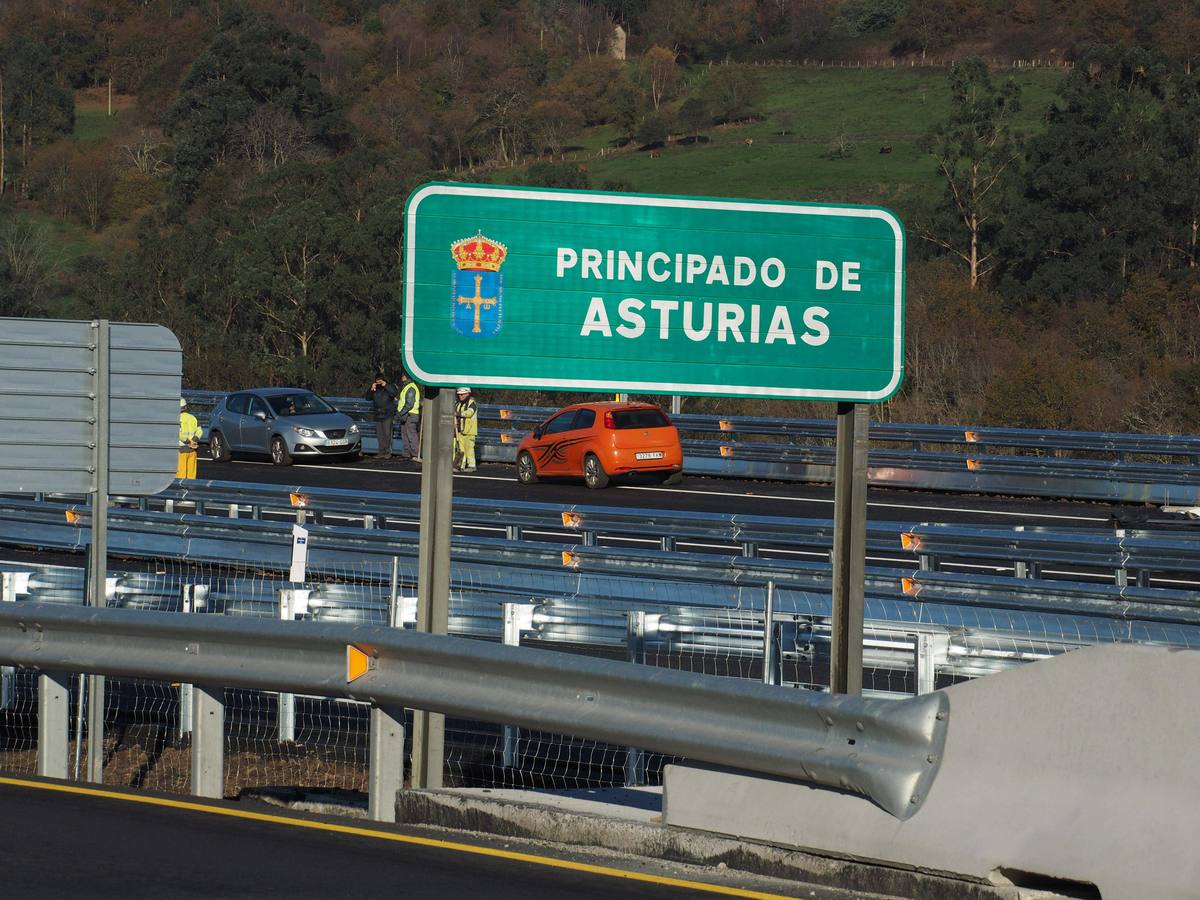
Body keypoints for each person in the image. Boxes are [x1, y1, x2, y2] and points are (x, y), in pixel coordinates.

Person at [364, 373, 398, 460]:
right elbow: (367, 398)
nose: (378, 381)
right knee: (380, 435)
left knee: (387, 434)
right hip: (378, 414)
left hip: (387, 414)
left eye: (380, 380)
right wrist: (371, 389)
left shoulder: (390, 386)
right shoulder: (375, 389)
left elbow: (394, 393)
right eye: (377, 380)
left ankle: (387, 452)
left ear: (383, 379)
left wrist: (386, 385)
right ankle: (381, 452)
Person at [397, 371, 422, 461]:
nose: (402, 377)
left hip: (410, 414)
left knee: (411, 435)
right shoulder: (407, 387)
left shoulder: (411, 387)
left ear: (407, 377)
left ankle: (415, 454)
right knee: (405, 435)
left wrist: (401, 412)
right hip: (406, 414)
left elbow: (409, 403)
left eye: (403, 376)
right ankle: (406, 454)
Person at [453, 386, 478, 473]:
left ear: (468, 393)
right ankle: (461, 465)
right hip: (460, 431)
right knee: (461, 449)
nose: (460, 396)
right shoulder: (458, 404)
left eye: (462, 394)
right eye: (459, 394)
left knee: (469, 448)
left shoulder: (472, 403)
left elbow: (469, 413)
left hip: (470, 431)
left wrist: (458, 413)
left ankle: (471, 465)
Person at [177, 398, 202, 479]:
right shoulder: (193, 418)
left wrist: (188, 441)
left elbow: (178, 434)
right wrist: (194, 440)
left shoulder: (176, 419)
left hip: (181, 451)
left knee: (181, 476)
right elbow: (200, 431)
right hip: (193, 450)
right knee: (191, 476)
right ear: (186, 407)